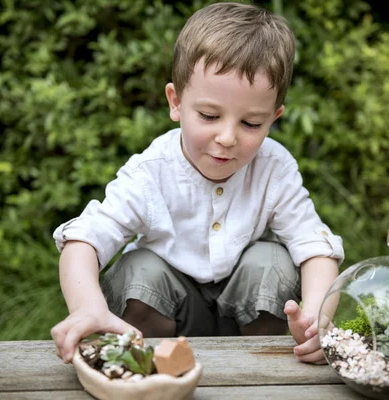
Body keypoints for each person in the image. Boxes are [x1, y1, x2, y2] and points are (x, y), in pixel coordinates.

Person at [51, 2, 344, 365]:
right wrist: (86, 307)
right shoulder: (151, 172)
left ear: (273, 118)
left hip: (244, 317)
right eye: (209, 115)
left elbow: (314, 246)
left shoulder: (274, 168)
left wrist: (318, 316)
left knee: (272, 260)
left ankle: (262, 369)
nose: (227, 137)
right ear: (176, 102)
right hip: (167, 315)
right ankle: (144, 364)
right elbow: (85, 239)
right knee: (137, 268)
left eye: (251, 123)